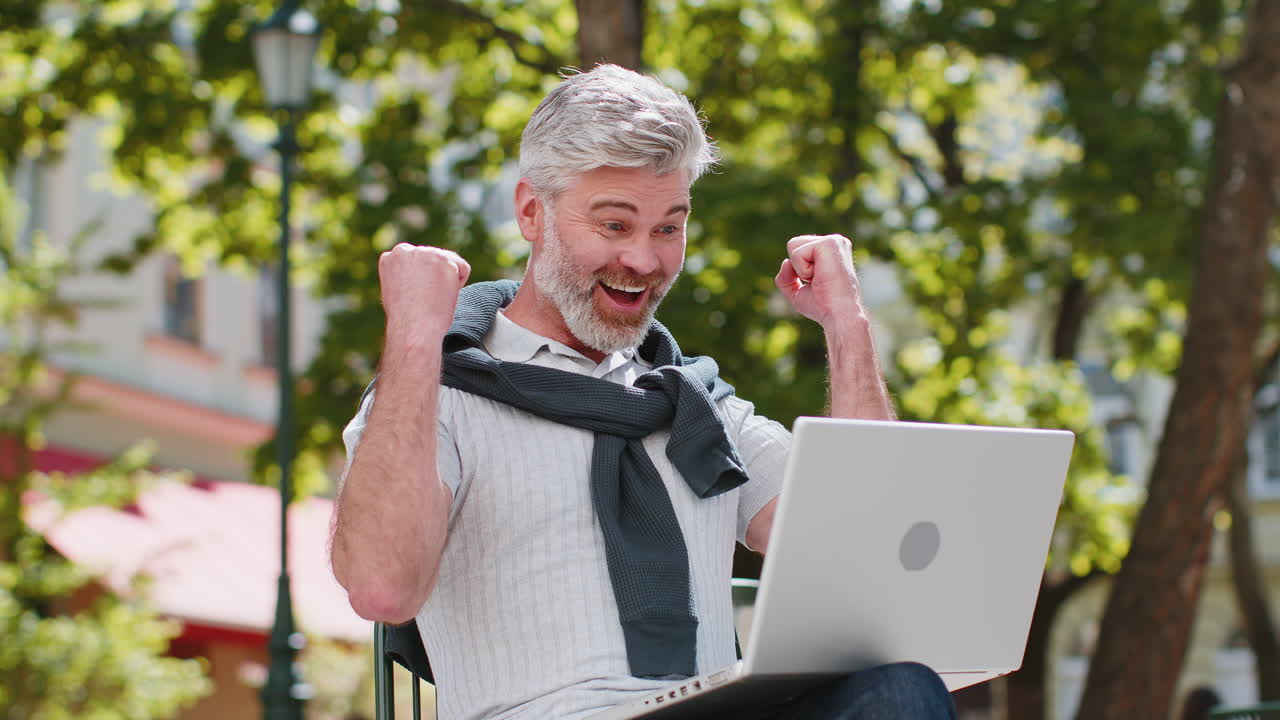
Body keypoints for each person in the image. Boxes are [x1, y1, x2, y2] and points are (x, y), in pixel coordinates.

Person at [330, 64, 955, 720]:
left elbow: (867, 558)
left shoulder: (698, 404)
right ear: (532, 212)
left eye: (668, 228)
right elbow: (381, 587)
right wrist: (414, 337)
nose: (644, 261)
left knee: (900, 691)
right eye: (614, 225)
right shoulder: (439, 395)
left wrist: (847, 324)